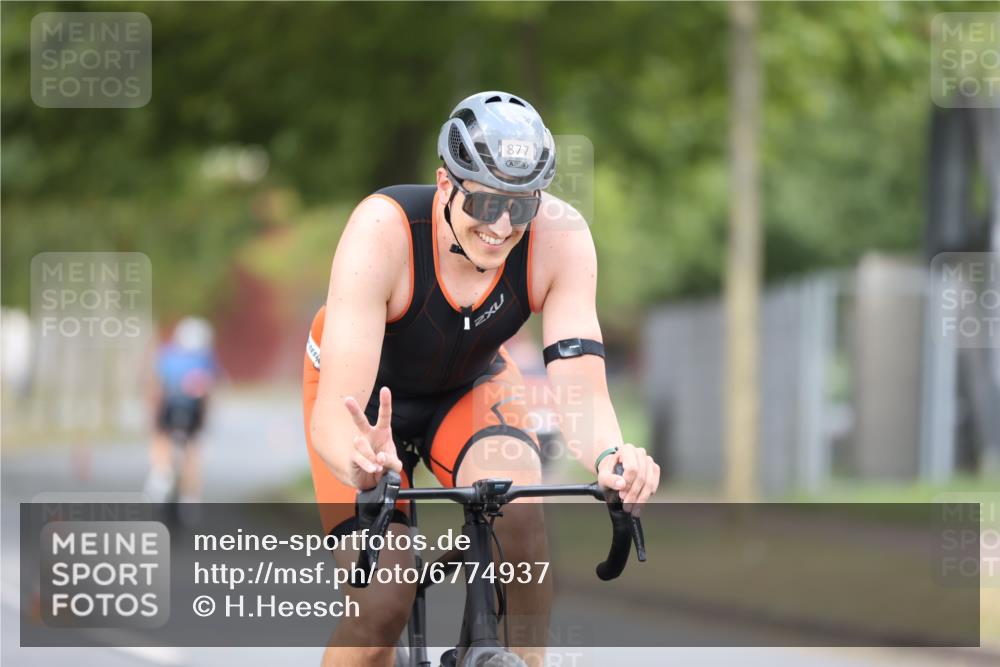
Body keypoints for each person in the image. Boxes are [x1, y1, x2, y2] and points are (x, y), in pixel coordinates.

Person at [302, 91, 661, 667]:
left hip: (469, 385)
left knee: (519, 507)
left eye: (520, 208)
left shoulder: (561, 240)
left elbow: (581, 392)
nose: (499, 226)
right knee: (380, 610)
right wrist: (359, 461)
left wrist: (613, 457)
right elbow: (333, 419)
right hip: (362, 403)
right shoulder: (382, 230)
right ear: (446, 184)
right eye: (485, 202)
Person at [144, 316, 219, 505]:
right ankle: (190, 496)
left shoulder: (167, 354)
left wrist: (152, 412)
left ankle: (160, 474)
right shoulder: (205, 357)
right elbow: (210, 391)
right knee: (193, 448)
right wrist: (205, 420)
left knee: (161, 436)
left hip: (169, 406)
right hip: (193, 411)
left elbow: (156, 386)